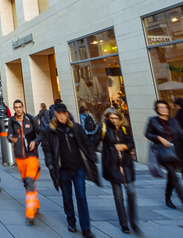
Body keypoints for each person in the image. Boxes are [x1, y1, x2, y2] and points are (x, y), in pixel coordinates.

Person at [40, 102, 99, 238]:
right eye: (59, 114)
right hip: (63, 169)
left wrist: (92, 156)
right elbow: (47, 149)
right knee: (67, 197)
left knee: (81, 197)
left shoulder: (76, 128)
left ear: (67, 114)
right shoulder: (50, 130)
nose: (62, 116)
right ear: (55, 114)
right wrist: (50, 163)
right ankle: (71, 221)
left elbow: (86, 143)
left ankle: (86, 227)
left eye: (63, 114)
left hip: (78, 168)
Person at [145, 99, 183, 217]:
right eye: (161, 108)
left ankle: (167, 197)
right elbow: (147, 134)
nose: (164, 110)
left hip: (175, 152)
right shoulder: (153, 121)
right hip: (163, 153)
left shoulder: (174, 121)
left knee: (171, 177)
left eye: (165, 107)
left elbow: (182, 135)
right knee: (174, 176)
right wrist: (159, 138)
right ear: (157, 110)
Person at [100, 108, 137, 234]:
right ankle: (124, 223)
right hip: (112, 166)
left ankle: (133, 220)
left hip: (126, 165)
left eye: (116, 118)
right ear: (107, 118)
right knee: (118, 195)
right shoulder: (103, 128)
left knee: (131, 192)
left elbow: (131, 143)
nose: (114, 121)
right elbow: (92, 142)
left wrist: (125, 146)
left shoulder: (124, 128)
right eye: (112, 118)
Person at [8, 99, 41, 226]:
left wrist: (35, 141)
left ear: (23, 107)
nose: (18, 109)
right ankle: (35, 203)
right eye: (16, 107)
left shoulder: (31, 119)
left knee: (29, 181)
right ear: (14, 108)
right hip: (19, 157)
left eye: (20, 107)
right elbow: (9, 134)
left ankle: (30, 213)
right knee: (27, 184)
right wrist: (11, 139)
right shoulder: (12, 121)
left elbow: (41, 133)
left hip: (31, 156)